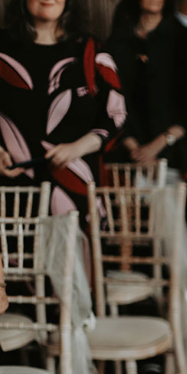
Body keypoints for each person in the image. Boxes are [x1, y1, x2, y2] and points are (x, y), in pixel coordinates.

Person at [0, 0, 125, 227]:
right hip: (13, 198)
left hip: (76, 194)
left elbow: (116, 115)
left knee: (74, 261)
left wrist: (76, 148)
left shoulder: (91, 51)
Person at [107, 0, 187, 174]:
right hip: (127, 154)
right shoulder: (117, 42)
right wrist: (137, 151)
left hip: (176, 153)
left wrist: (157, 146)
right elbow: (111, 99)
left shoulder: (185, 39)